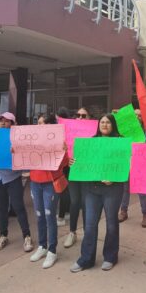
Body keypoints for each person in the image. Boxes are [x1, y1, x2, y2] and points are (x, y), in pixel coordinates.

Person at [70, 113, 123, 273]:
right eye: (102, 122)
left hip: (112, 189)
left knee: (112, 223)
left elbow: (127, 164)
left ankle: (110, 256)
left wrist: (114, 178)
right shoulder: (90, 142)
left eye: (108, 122)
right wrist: (74, 162)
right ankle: (86, 259)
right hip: (92, 189)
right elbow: (82, 163)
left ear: (113, 125)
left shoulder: (120, 142)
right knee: (90, 224)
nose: (105, 124)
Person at [0, 112, 33, 252]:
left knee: (18, 207)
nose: (3, 123)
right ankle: (3, 235)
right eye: (1, 121)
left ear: (13, 125)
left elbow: (26, 164)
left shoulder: (19, 141)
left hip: (13, 178)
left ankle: (27, 236)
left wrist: (17, 153)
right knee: (1, 208)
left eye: (7, 121)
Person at [27, 113, 68, 269]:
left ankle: (52, 250)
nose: (39, 126)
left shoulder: (58, 141)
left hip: (50, 183)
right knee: (39, 216)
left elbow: (64, 164)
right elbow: (23, 158)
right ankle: (42, 246)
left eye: (42, 123)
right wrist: (17, 151)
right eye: (38, 123)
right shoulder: (31, 140)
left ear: (51, 125)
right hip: (35, 183)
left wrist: (64, 151)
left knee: (50, 216)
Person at [119, 109, 146, 228]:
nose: (137, 117)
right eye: (135, 115)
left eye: (140, 115)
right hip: (126, 163)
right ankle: (123, 211)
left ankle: (145, 214)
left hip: (140, 165)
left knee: (141, 190)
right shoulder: (124, 131)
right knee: (125, 188)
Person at [63, 107, 90, 249]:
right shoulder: (68, 133)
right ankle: (72, 232)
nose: (80, 117)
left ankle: (87, 233)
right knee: (75, 202)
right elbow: (62, 151)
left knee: (86, 203)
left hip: (88, 174)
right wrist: (67, 159)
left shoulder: (94, 134)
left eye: (83, 115)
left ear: (88, 118)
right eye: (77, 115)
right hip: (73, 172)